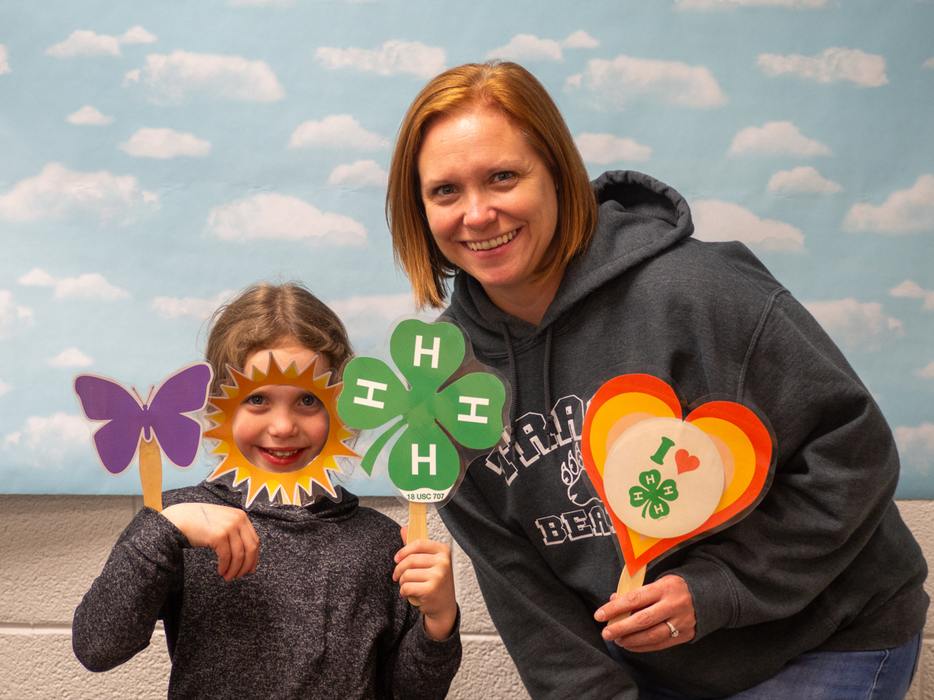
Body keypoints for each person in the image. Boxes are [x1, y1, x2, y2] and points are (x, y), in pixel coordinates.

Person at [385, 61, 928, 699]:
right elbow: (529, 605)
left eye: (503, 177)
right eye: (445, 191)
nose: (477, 214)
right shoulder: (444, 385)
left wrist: (720, 587)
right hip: (653, 672)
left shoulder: (696, 291)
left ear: (558, 174)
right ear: (418, 210)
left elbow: (853, 453)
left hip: (822, 635)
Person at [72, 282, 462, 700]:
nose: (282, 427)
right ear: (219, 405)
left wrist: (438, 621)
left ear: (341, 407)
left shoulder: (383, 543)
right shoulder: (179, 523)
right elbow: (98, 647)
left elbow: (408, 693)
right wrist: (164, 530)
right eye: (257, 398)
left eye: (308, 401)